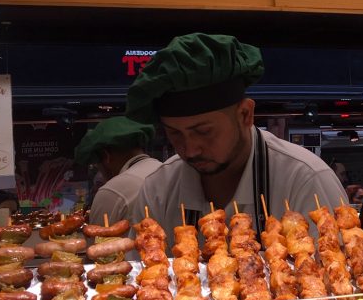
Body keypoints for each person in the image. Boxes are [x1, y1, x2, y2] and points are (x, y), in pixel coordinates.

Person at [125, 33, 346, 238]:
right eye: (174, 134)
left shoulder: (304, 180)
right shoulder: (157, 190)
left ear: (245, 115)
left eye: (203, 131)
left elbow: (339, 276)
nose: (190, 149)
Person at [73, 116, 162, 224]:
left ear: (106, 156)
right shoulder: (168, 172)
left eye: (98, 165)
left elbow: (97, 240)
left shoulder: (111, 191)